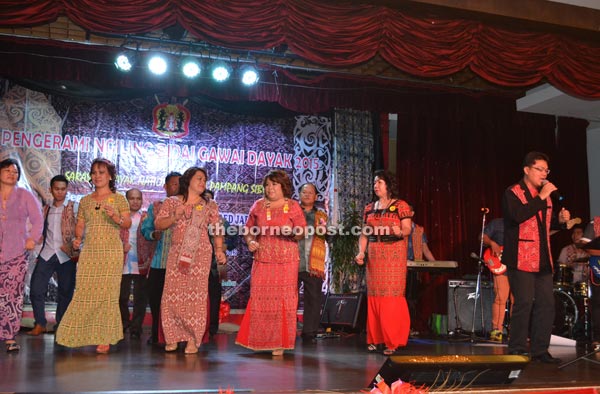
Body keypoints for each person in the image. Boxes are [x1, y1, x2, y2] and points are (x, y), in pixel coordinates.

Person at [56, 158, 132, 354]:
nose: (97, 176)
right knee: (84, 293)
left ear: (110, 176)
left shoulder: (118, 199)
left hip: (111, 252)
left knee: (107, 295)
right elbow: (80, 223)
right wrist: (77, 238)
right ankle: (78, 335)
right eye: (94, 173)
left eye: (101, 172)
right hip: (90, 251)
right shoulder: (86, 201)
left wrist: (115, 217)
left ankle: (104, 337)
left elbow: (127, 223)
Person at [502, 151, 570, 363]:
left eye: (546, 170)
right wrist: (541, 197)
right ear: (526, 170)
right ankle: (517, 348)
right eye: (539, 169)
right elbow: (517, 217)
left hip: (542, 257)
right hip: (521, 257)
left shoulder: (546, 196)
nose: (544, 174)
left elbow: (543, 227)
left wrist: (559, 222)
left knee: (547, 304)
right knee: (523, 302)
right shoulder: (513, 192)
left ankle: (540, 350)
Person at [155, 167, 226, 354]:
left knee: (196, 298)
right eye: (199, 179)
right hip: (177, 254)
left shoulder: (210, 205)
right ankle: (172, 337)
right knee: (172, 296)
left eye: (205, 180)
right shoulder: (172, 202)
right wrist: (174, 216)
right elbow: (159, 224)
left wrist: (219, 250)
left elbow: (217, 229)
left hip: (200, 255)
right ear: (188, 181)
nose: (203, 183)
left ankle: (192, 339)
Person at [236, 169, 306, 356]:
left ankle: (280, 343)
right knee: (260, 297)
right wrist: (250, 241)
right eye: (267, 185)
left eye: (274, 184)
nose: (270, 188)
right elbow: (248, 229)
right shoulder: (258, 205)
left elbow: (301, 232)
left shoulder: (292, 206)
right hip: (263, 258)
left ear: (283, 186)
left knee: (283, 300)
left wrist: (290, 232)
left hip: (286, 261)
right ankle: (258, 340)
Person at [355, 169, 412, 355]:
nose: (375, 186)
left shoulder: (401, 205)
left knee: (390, 296)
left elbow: (407, 229)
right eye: (374, 183)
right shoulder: (369, 208)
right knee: (375, 296)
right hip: (375, 255)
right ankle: (375, 338)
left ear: (388, 185)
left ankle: (392, 341)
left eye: (379, 182)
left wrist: (399, 232)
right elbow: (364, 233)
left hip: (393, 255)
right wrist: (361, 252)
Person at [0, 158, 43, 352]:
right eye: (7, 170)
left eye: (15, 171)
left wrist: (32, 238)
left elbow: (38, 220)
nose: (12, 173)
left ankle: (9, 336)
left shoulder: (25, 195)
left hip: (16, 253)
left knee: (12, 296)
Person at [28, 175, 77, 336]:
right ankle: (40, 323)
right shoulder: (46, 208)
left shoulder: (73, 208)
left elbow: (81, 230)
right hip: (47, 253)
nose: (60, 192)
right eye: (57, 189)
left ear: (66, 190)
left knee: (65, 291)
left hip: (66, 254)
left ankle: (61, 325)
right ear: (51, 190)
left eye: (63, 189)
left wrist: (77, 244)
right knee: (36, 288)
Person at [140, 171, 181, 346]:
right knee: (157, 302)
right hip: (159, 263)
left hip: (180, 265)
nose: (177, 187)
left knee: (178, 305)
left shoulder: (188, 207)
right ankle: (158, 334)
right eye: (173, 184)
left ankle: (177, 336)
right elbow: (145, 229)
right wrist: (152, 234)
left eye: (181, 183)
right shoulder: (156, 207)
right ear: (165, 186)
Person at [297, 183, 328, 342]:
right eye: (304, 192)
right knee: (289, 298)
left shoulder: (322, 216)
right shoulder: (293, 212)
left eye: (311, 193)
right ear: (299, 194)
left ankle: (309, 332)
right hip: (293, 262)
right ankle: (287, 329)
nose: (307, 195)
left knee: (313, 298)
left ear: (316, 196)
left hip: (313, 264)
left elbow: (326, 236)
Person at [118, 188, 151, 340]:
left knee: (140, 298)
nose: (135, 201)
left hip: (141, 263)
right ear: (126, 200)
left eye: (138, 198)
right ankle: (124, 322)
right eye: (132, 198)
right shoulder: (119, 218)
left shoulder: (145, 218)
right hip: (122, 263)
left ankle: (136, 327)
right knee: (121, 297)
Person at [204, 189, 235, 338]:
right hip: (197, 264)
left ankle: (213, 327)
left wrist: (225, 245)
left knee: (214, 296)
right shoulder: (194, 218)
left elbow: (234, 239)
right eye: (205, 199)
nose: (207, 203)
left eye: (210, 200)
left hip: (216, 265)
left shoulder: (222, 221)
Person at [482, 217, 512, 343]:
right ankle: (496, 331)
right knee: (501, 297)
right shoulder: (497, 223)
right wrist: (492, 243)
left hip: (519, 263)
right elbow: (482, 237)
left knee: (518, 300)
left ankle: (515, 333)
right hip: (500, 262)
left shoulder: (523, 222)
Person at [580, 217, 600, 347]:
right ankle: (597, 337)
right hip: (598, 267)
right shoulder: (595, 223)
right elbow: (584, 245)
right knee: (598, 303)